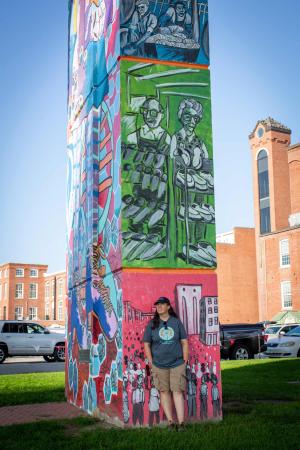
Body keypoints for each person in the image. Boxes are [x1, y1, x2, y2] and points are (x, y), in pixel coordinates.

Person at [143, 297, 189, 430]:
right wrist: (151, 362)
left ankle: (181, 423)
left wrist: (184, 360)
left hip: (177, 363)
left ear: (168, 307)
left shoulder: (176, 323)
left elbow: (184, 342)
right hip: (159, 364)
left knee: (177, 391)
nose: (159, 306)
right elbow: (146, 344)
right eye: (157, 304)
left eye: (162, 304)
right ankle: (170, 422)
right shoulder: (152, 324)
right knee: (164, 392)